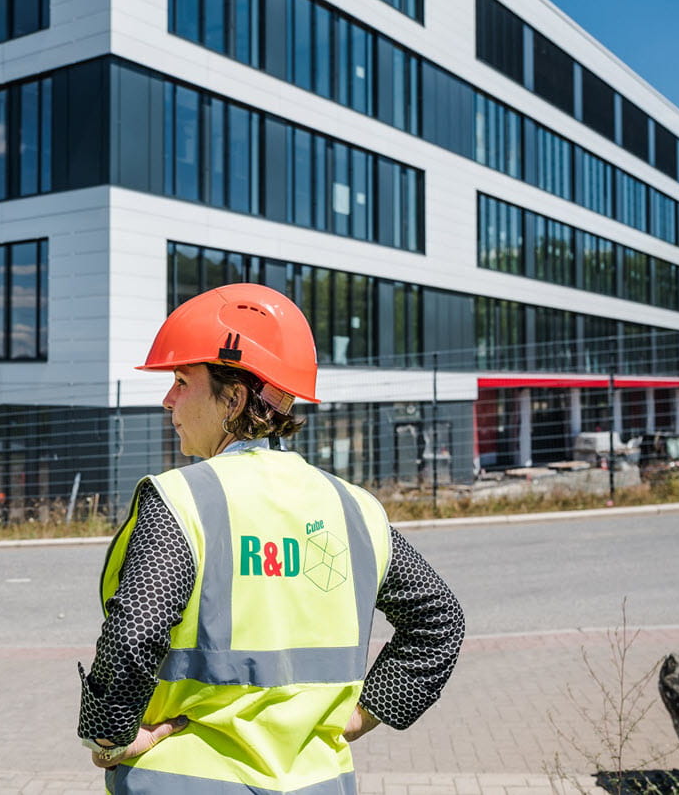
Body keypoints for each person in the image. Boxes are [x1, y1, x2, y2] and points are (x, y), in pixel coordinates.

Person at [77, 283, 465, 793]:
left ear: (233, 398)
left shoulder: (182, 501)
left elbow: (135, 633)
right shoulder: (355, 508)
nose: (168, 399)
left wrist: (108, 739)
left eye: (181, 380)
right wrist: (363, 716)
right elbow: (441, 621)